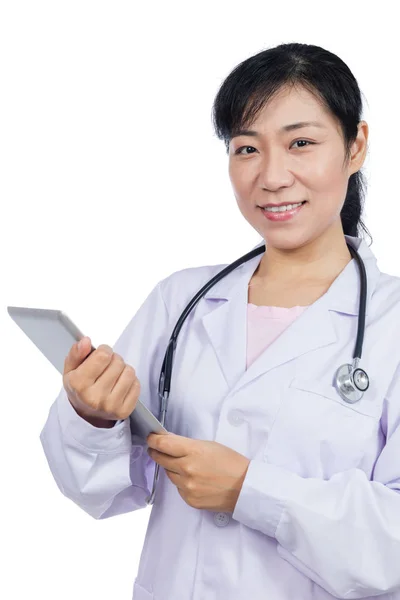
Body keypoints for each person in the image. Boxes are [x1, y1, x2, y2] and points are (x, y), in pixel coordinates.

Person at [40, 42, 400, 600]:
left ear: (355, 147)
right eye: (246, 149)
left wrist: (250, 491)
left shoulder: (390, 323)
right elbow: (100, 492)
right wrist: (94, 418)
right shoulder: (180, 301)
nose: (272, 176)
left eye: (301, 143)